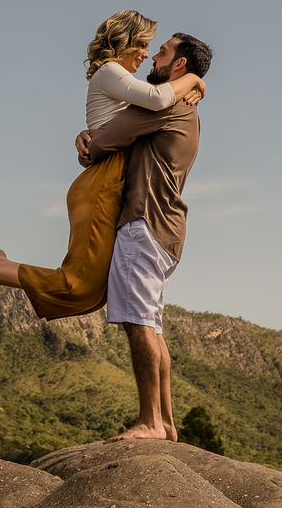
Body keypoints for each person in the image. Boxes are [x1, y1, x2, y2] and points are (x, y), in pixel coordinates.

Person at [0, 11, 205, 320]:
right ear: (121, 41)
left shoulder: (121, 79)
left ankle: (0, 270)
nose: (146, 54)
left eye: (151, 47)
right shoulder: (111, 72)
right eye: (141, 44)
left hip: (111, 178)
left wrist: (194, 86)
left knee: (96, 291)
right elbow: (157, 98)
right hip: (103, 181)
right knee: (80, 285)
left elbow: (147, 108)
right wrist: (195, 79)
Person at [75, 32, 212, 443]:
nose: (154, 56)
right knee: (151, 325)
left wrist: (86, 140)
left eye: (164, 52)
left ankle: (150, 421)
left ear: (180, 66)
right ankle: (166, 423)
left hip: (144, 223)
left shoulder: (167, 107)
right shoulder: (184, 108)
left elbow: (103, 141)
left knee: (138, 324)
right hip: (164, 229)